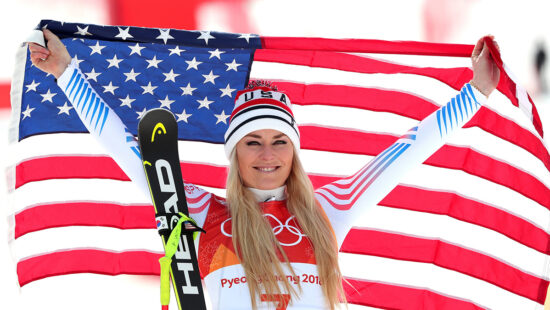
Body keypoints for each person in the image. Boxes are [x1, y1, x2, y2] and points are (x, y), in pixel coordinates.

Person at [28, 29, 499, 310]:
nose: (267, 154)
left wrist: (474, 94)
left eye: (279, 142)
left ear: (294, 151)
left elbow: (409, 150)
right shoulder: (198, 210)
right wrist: (67, 74)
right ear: (234, 152)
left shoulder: (329, 209)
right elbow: (132, 152)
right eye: (252, 142)